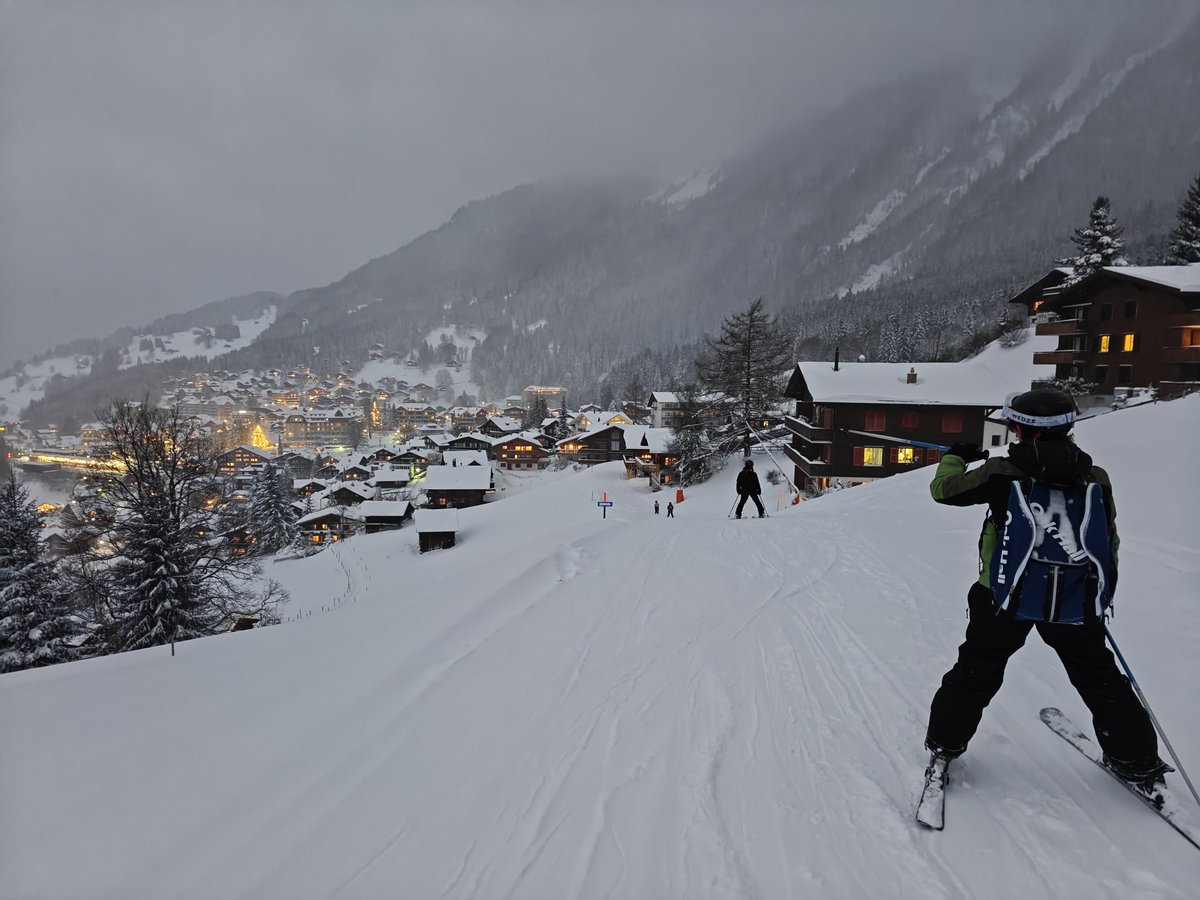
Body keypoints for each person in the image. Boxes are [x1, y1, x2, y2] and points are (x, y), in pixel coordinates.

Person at [923, 388, 1166, 792]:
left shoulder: (1002, 472)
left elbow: (943, 491)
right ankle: (1136, 760)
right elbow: (1108, 541)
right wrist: (1097, 598)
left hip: (1004, 595)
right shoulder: (1094, 478)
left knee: (976, 672)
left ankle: (944, 746)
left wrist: (956, 457)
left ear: (1018, 428)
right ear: (1069, 428)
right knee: (1099, 677)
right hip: (1074, 598)